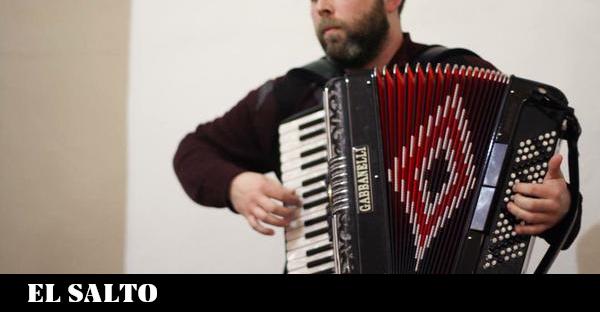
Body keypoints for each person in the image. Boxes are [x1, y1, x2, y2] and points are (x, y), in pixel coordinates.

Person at [173, 0, 581, 254]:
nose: (321, 7)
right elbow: (194, 150)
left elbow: (550, 212)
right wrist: (236, 185)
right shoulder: (293, 93)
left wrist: (557, 209)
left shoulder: (462, 75)